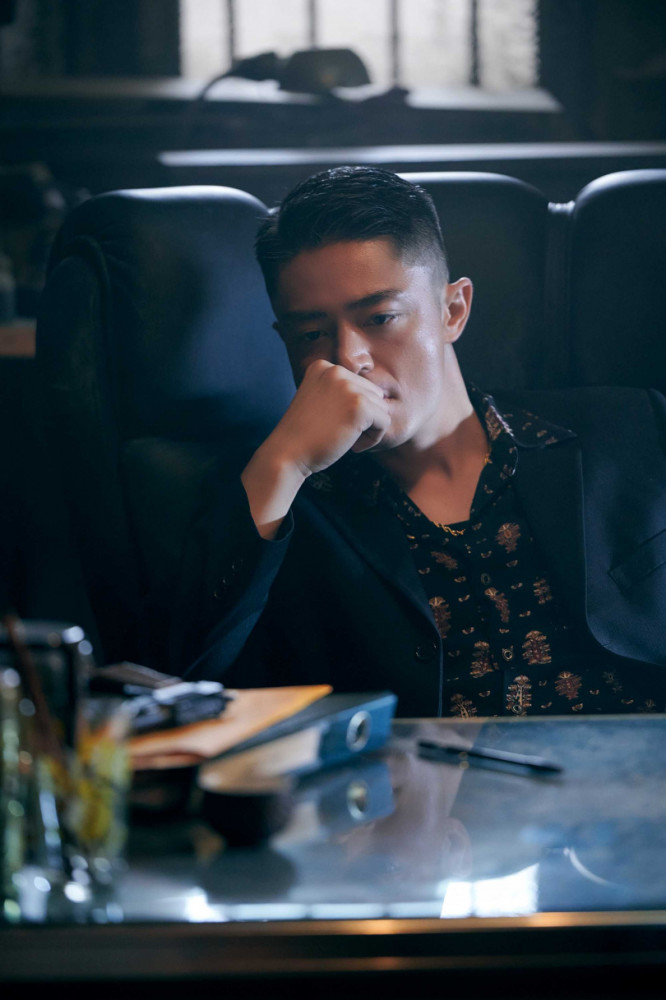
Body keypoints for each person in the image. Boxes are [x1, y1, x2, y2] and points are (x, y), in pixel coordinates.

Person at [180, 166, 666, 717]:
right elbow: (175, 686)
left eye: (380, 317)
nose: (349, 358)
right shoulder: (272, 502)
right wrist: (284, 465)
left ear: (452, 311)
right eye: (311, 334)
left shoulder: (632, 426)